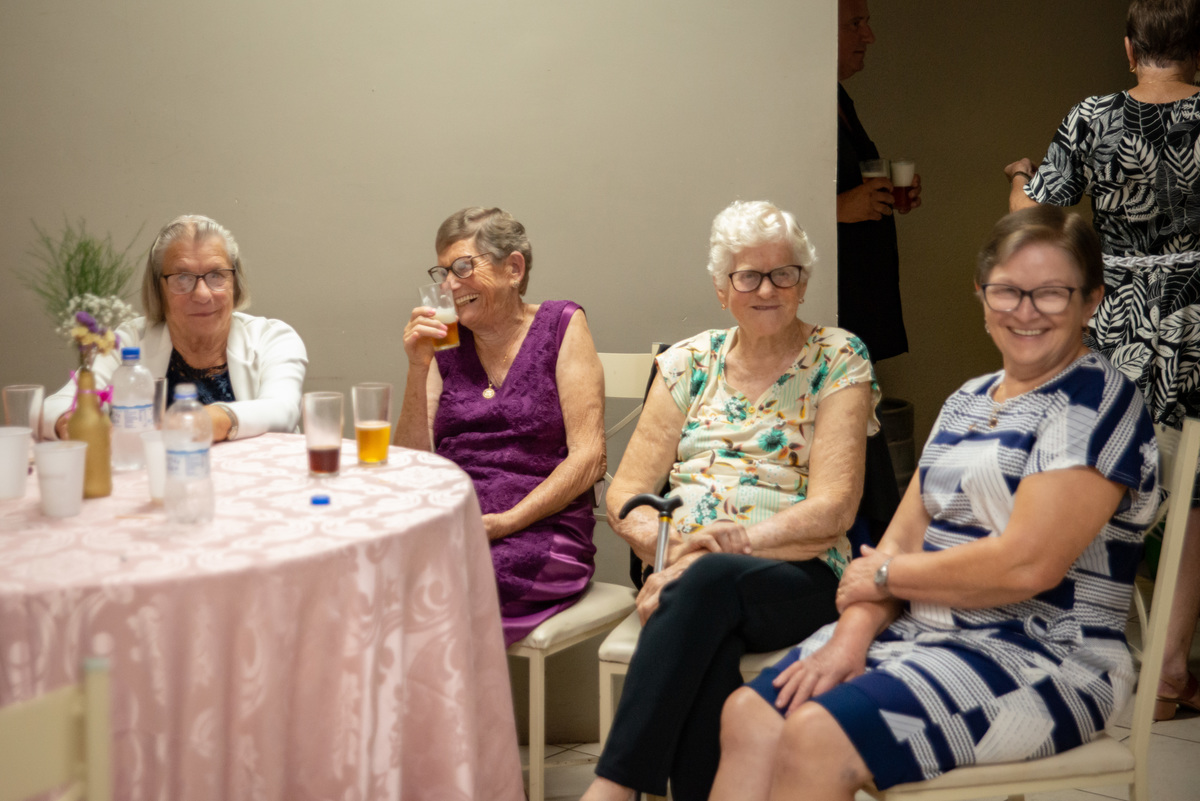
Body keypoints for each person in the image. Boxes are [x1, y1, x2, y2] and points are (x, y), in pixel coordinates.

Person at [708, 207, 1159, 801]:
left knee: (817, 734)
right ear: (982, 295)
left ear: (1091, 300)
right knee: (750, 714)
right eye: (1007, 290)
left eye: (1051, 293)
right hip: (921, 631)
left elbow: (1026, 564)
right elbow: (899, 541)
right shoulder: (969, 399)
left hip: (1045, 653)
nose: (1025, 311)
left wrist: (888, 576)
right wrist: (849, 640)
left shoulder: (1094, 402)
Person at [581, 201, 882, 801]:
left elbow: (835, 510)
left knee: (704, 587)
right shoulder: (688, 363)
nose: (766, 289)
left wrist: (713, 553)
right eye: (748, 276)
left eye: (783, 273)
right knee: (707, 633)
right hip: (686, 576)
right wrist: (674, 553)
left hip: (799, 572)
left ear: (803, 283)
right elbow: (626, 495)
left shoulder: (838, 357)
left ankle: (612, 788)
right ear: (722, 290)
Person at [1004, 0, 1200, 721]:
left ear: (1128, 49)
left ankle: (1080, 649)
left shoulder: (1092, 117)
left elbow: (1032, 221)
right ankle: (1171, 669)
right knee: (1194, 490)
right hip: (1198, 320)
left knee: (1098, 472)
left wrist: (1020, 176)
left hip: (1120, 321)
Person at [395, 206, 605, 647]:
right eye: (443, 273)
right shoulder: (444, 343)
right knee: (375, 572)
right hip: (455, 522)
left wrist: (506, 522)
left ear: (513, 268)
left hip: (540, 527)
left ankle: (435, 691)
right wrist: (417, 367)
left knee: (443, 587)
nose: (450, 285)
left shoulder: (562, 325)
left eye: (463, 267)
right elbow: (410, 464)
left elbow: (589, 458)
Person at [43, 214, 307, 442]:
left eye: (217, 275)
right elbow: (55, 406)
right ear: (159, 289)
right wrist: (72, 423)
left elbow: (282, 410)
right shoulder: (129, 341)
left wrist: (207, 420)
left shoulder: (273, 338)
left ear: (234, 283)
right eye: (183, 277)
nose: (202, 294)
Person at [836, 0, 922, 363]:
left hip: (860, 304)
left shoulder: (837, 96)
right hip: (828, 308)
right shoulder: (795, 103)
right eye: (855, 24)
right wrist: (838, 208)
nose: (869, 36)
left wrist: (884, 189)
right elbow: (762, 200)